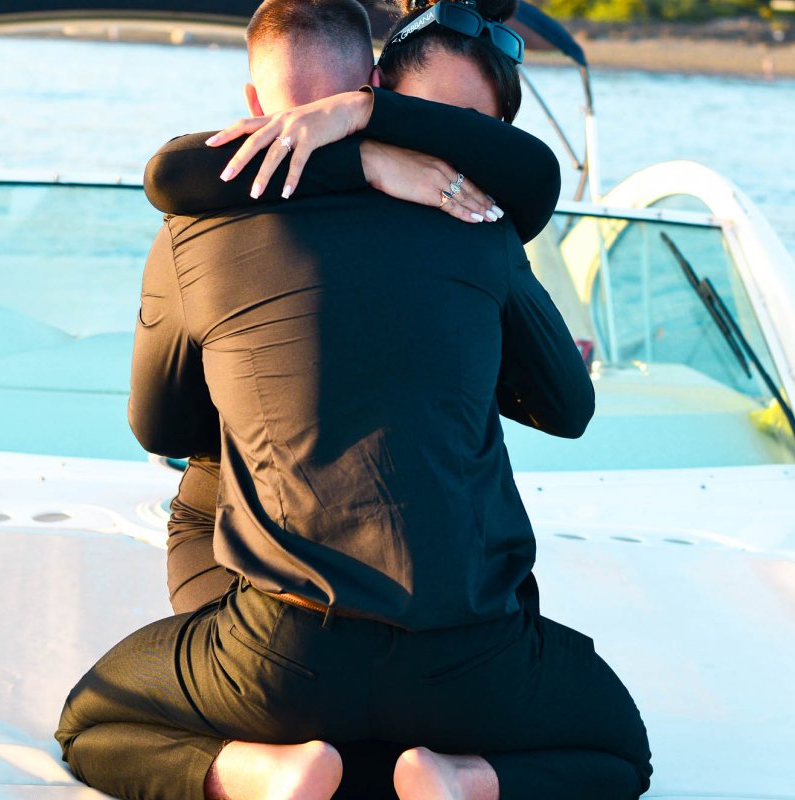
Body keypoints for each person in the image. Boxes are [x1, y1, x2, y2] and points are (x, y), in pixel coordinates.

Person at [57, 1, 653, 799]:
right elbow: (568, 410)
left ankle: (261, 771)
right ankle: (461, 779)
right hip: (466, 660)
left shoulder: (196, 224)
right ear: (373, 83)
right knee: (619, 750)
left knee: (91, 721)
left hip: (283, 657)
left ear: (255, 104)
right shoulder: (476, 215)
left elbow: (157, 425)